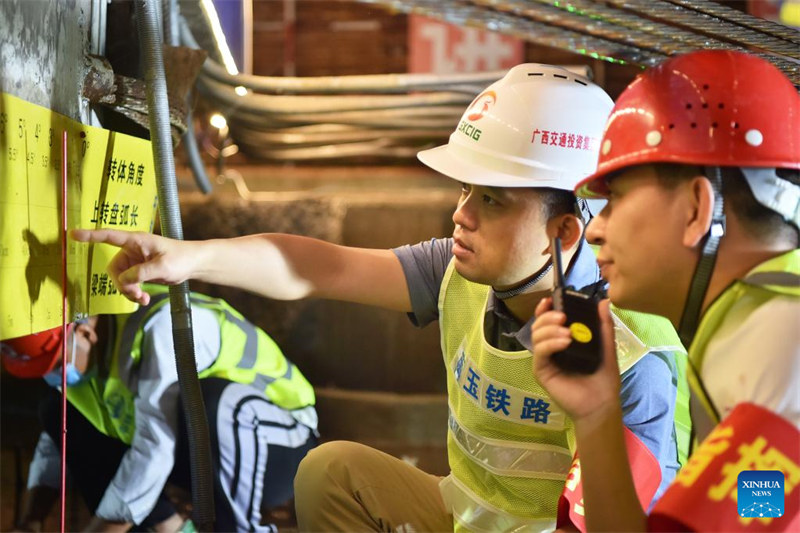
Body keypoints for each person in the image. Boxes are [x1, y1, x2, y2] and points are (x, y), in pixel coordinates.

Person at [71, 64, 689, 532]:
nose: (461, 215)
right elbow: (320, 268)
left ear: (565, 232)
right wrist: (189, 257)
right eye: (466, 190)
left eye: (492, 200)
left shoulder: (634, 361)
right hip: (466, 512)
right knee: (331, 472)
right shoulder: (460, 272)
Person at [531, 49, 800, 531]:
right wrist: (596, 413)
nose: (594, 230)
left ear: (698, 209)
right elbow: (758, 512)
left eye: (616, 198)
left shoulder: (778, 343)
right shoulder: (751, 324)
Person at [2, 284, 318, 533]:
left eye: (55, 364)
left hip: (280, 446)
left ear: (84, 333)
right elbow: (61, 439)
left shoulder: (162, 327)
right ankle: (174, 529)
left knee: (211, 403)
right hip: (199, 458)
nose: (51, 374)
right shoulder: (83, 354)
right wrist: (30, 521)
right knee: (57, 410)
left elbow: (155, 447)